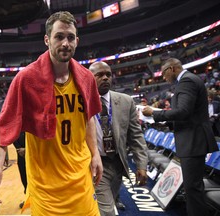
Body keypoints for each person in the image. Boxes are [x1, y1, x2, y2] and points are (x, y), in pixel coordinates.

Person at [0, 11, 103, 216]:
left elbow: (88, 118)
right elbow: (2, 127)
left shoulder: (86, 78)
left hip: (80, 179)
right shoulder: (26, 80)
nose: (65, 43)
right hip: (45, 187)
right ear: (47, 39)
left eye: (70, 37)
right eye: (59, 37)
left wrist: (95, 154)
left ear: (77, 41)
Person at [142, 58, 218, 216]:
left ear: (171, 68)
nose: (163, 78)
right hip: (193, 139)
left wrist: (154, 113)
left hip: (193, 140)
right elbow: (187, 113)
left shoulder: (186, 81)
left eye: (163, 73)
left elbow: (183, 111)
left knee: (193, 188)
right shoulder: (188, 80)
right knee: (193, 187)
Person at [89, 61, 148, 216]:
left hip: (118, 163)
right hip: (94, 164)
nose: (105, 78)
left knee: (112, 199)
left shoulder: (126, 101)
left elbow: (136, 136)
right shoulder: (81, 102)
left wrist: (141, 164)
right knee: (106, 211)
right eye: (100, 75)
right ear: (89, 77)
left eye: (108, 74)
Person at [12, 132, 27, 209]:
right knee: (24, 177)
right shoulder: (16, 124)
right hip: (21, 155)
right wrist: (18, 148)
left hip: (33, 153)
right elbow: (13, 136)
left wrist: (27, 149)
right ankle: (27, 198)